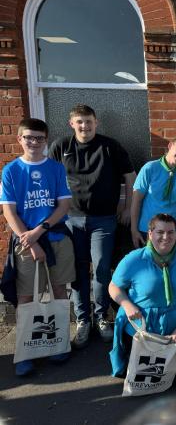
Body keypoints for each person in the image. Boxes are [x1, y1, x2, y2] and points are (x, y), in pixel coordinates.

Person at [49, 104, 136, 348]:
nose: (84, 126)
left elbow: (130, 176)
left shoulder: (110, 146)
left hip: (104, 220)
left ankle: (101, 317)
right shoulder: (61, 147)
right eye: (80, 122)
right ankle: (83, 319)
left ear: (96, 122)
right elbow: (51, 178)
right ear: (72, 124)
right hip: (71, 219)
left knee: (101, 269)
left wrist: (128, 208)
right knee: (78, 270)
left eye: (88, 121)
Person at [1, 118, 76, 376]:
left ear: (46, 140)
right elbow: (9, 212)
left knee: (59, 291)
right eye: (29, 137)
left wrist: (39, 231)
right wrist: (29, 240)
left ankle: (59, 343)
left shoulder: (55, 168)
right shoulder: (11, 170)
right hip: (25, 241)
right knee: (26, 297)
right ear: (20, 139)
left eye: (39, 138)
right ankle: (25, 351)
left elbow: (63, 206)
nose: (34, 142)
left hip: (54, 236)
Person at [108, 213, 176, 377]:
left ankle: (174, 361)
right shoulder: (134, 259)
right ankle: (170, 363)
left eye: (171, 232)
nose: (166, 237)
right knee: (141, 362)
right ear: (150, 234)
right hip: (142, 320)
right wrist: (127, 305)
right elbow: (114, 287)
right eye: (160, 232)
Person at [131, 137, 176, 248]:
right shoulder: (149, 168)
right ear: (170, 145)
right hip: (150, 230)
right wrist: (133, 230)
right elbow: (136, 201)